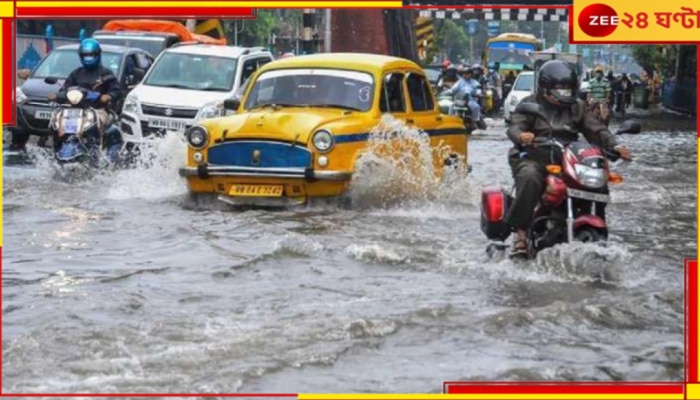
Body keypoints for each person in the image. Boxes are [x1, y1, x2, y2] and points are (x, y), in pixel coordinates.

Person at [504, 60, 631, 256]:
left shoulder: (577, 107)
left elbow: (595, 129)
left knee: (597, 179)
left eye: (569, 89)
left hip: (566, 157)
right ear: (545, 87)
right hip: (533, 155)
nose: (566, 94)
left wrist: (615, 145)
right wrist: (522, 136)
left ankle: (595, 221)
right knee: (530, 177)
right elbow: (515, 126)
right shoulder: (529, 104)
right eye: (561, 89)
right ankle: (521, 232)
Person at [48, 39, 121, 137]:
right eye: (85, 55)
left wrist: (108, 96)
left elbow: (116, 90)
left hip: (97, 109)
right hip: (74, 110)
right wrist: (57, 96)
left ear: (97, 55)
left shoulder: (106, 73)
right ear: (81, 56)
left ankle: (96, 146)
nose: (88, 58)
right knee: (57, 121)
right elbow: (66, 89)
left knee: (97, 122)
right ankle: (57, 144)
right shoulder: (76, 73)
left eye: (91, 55)